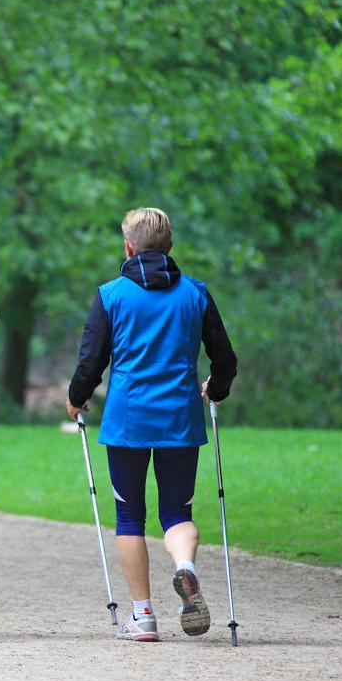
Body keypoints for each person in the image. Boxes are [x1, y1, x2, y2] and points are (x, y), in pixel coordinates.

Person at [66, 207, 237, 642]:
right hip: (179, 417)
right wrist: (216, 389)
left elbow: (92, 361)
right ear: (170, 246)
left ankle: (142, 616)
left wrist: (76, 397)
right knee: (177, 512)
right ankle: (185, 568)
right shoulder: (196, 294)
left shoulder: (111, 295)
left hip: (128, 420)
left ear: (128, 246)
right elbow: (225, 359)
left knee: (129, 515)